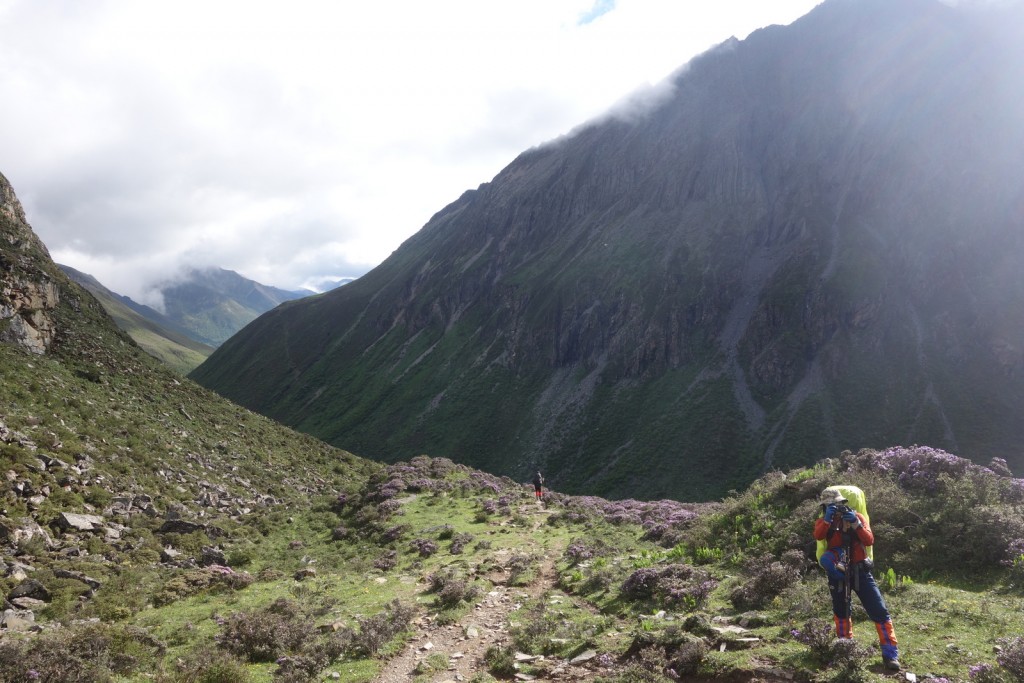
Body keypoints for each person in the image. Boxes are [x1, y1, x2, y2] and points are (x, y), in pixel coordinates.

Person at [814, 486, 900, 671]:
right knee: (841, 610)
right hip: (838, 573)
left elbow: (869, 540)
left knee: (879, 609)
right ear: (825, 507)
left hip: (861, 572)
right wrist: (827, 519)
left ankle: (890, 654)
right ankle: (845, 650)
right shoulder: (823, 522)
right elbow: (818, 535)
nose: (836, 508)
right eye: (831, 506)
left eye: (838, 505)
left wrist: (856, 524)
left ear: (844, 503)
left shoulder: (857, 518)